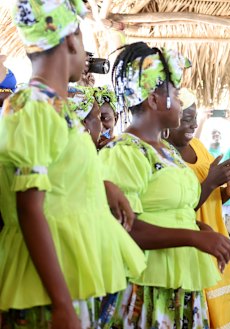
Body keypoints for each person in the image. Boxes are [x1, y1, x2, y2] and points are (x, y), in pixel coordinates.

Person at [0, 1, 145, 327]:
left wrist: (101, 186)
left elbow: (59, 172)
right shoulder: (34, 106)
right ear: (71, 39)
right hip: (48, 284)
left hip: (67, 272)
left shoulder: (57, 107)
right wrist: (62, 303)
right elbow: (29, 208)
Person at [99, 41, 230, 327]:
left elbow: (172, 210)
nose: (181, 101)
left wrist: (200, 227)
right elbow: (126, 228)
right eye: (174, 92)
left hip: (182, 285)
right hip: (145, 288)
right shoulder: (126, 151)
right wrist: (194, 238)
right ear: (154, 100)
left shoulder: (168, 151)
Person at [165, 88, 230, 328]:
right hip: (192, 248)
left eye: (195, 118)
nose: (192, 125)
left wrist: (227, 191)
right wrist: (211, 180)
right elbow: (178, 210)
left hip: (216, 240)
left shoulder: (200, 148)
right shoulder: (164, 156)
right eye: (186, 119)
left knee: (225, 312)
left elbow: (210, 197)